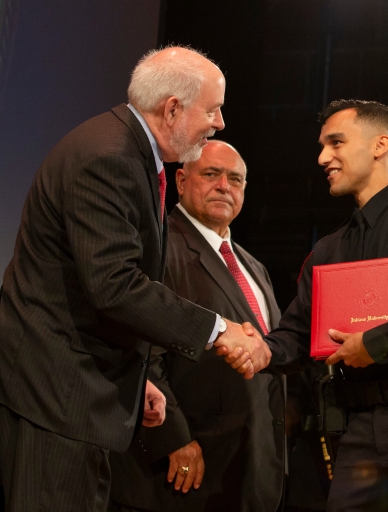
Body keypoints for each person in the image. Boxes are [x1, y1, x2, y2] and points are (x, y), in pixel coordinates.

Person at [0, 46, 269, 511]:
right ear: (172, 108)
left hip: (75, 393)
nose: (220, 122)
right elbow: (114, 285)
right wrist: (219, 329)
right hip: (56, 394)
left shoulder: (128, 152)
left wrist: (136, 381)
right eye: (213, 109)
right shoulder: (109, 157)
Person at [239, 99, 388, 512]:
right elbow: (299, 333)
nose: (323, 157)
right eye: (321, 146)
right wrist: (262, 349)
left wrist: (374, 344)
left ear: (380, 145)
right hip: (356, 432)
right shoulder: (328, 250)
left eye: (336, 142)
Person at [108, 141, 286, 512]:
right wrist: (172, 438)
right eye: (211, 174)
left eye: (235, 179)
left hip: (252, 468)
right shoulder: (159, 245)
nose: (224, 185)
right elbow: (142, 346)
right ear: (181, 180)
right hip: (187, 466)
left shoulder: (255, 268)